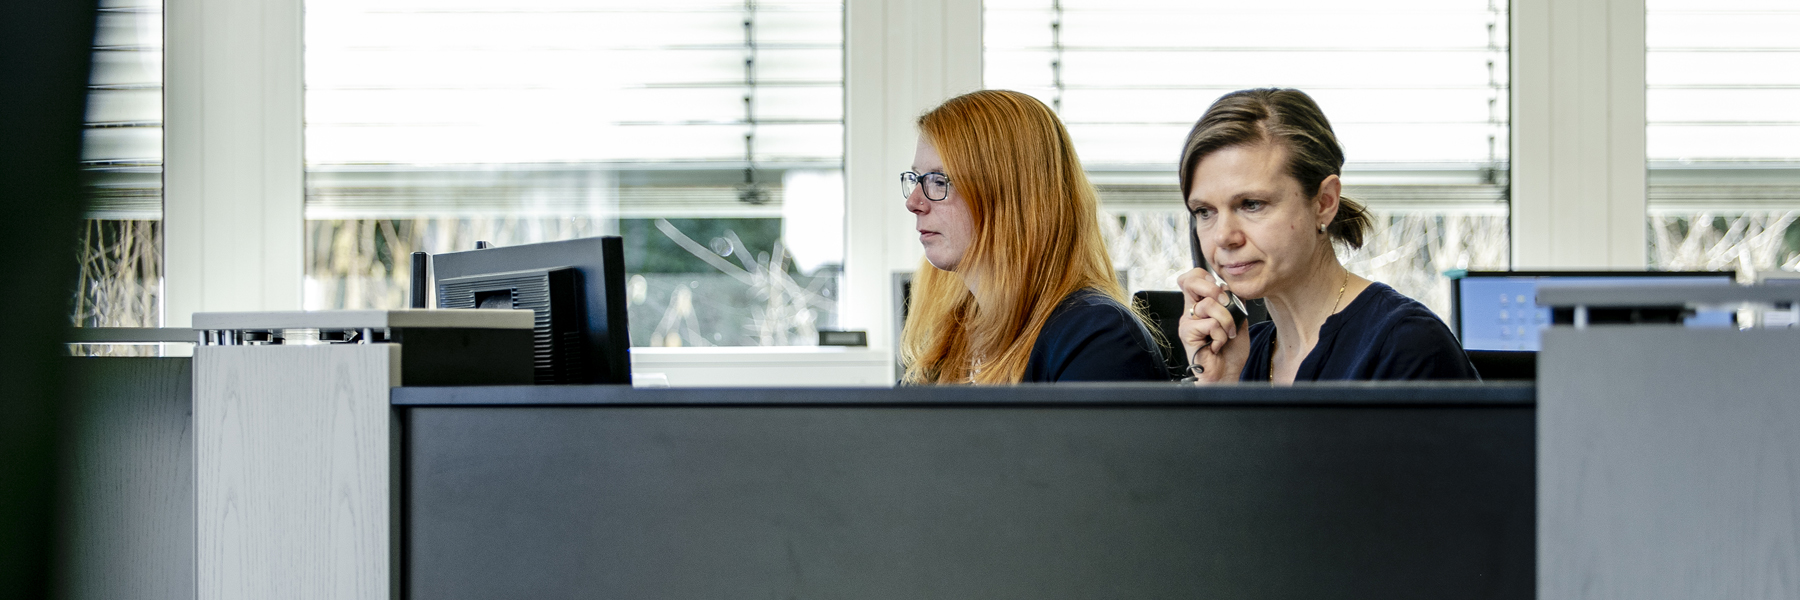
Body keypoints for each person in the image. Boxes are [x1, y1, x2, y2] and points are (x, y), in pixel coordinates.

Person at [1176, 88, 1478, 383]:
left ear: (1324, 202)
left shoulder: (1407, 344)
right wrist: (1221, 385)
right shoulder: (1244, 355)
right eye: (1204, 211)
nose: (1223, 236)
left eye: (1251, 204)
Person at [899, 90, 1166, 384]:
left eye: (939, 181)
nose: (913, 202)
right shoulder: (955, 339)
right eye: (916, 179)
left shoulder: (1100, 339)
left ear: (1011, 196)